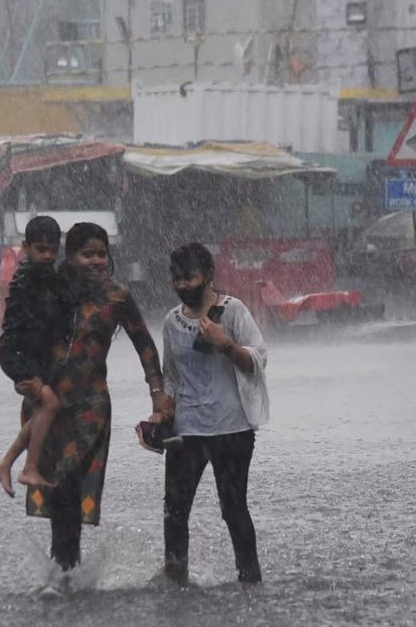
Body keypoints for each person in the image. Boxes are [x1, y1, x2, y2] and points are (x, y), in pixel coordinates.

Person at [24, 222, 171, 593]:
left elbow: (145, 346)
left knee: (69, 483)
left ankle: (63, 571)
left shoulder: (117, 297)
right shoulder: (51, 292)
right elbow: (19, 336)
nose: (95, 261)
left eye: (101, 254)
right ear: (70, 257)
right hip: (48, 406)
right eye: (87, 254)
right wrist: (21, 374)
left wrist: (157, 393)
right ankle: (65, 569)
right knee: (56, 487)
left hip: (90, 408)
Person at [154, 242, 269, 586]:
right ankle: (176, 580)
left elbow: (259, 359)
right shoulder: (172, 322)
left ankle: (250, 580)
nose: (183, 285)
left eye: (189, 277)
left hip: (232, 430)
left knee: (233, 509)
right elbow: (171, 376)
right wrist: (161, 413)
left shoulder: (233, 312)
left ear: (208, 276)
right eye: (176, 279)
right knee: (175, 512)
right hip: (187, 430)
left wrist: (225, 344)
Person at [0, 216, 67, 496]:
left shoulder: (41, 273)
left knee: (42, 410)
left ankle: (5, 463)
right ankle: (29, 468)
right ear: (25, 247)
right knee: (50, 403)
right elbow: (29, 327)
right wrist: (25, 373)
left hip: (27, 351)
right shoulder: (29, 276)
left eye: (52, 250)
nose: (47, 256)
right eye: (41, 249)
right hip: (17, 352)